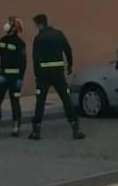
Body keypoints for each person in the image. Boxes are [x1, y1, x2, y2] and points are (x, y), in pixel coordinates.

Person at [29, 13, 84, 141]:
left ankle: (36, 131)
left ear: (39, 24)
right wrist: (70, 65)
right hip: (58, 73)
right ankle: (76, 129)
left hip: (43, 74)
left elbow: (35, 59)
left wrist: (37, 75)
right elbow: (68, 50)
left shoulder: (38, 38)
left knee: (40, 101)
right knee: (66, 99)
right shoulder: (59, 34)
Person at [0, 16, 26, 137]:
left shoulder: (18, 43)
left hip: (10, 77)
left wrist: (20, 78)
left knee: (10, 102)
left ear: (14, 27)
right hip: (7, 77)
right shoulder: (5, 40)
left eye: (10, 23)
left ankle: (13, 126)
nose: (7, 24)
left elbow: (23, 62)